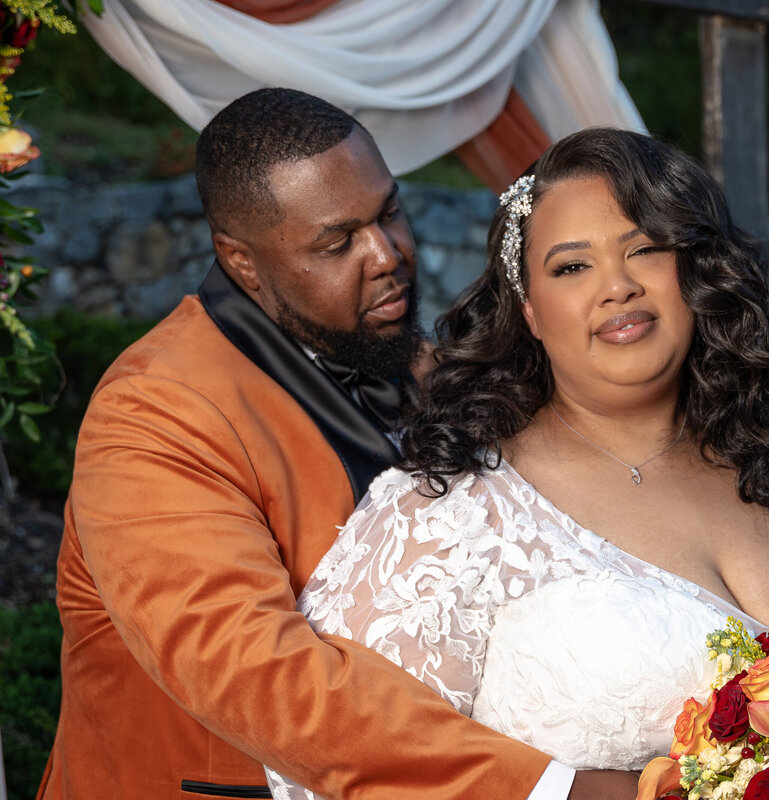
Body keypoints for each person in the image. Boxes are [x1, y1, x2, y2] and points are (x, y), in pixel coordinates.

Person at [276, 127, 769, 798]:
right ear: (528, 310)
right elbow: (338, 767)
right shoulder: (447, 513)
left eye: (643, 249)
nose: (617, 286)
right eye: (573, 265)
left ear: (693, 270)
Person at [38, 89, 633, 800]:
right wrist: (557, 790)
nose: (388, 256)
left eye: (389, 213)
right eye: (336, 242)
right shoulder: (153, 414)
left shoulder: (422, 365)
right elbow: (262, 680)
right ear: (242, 261)